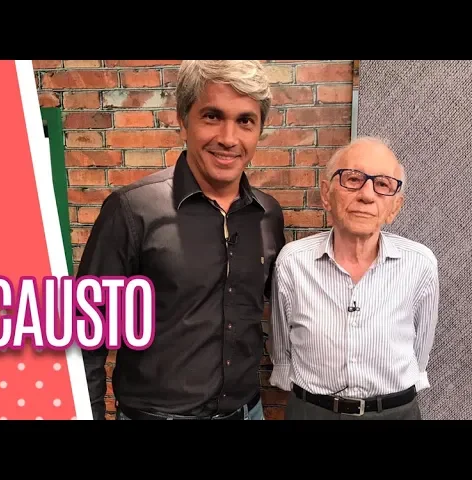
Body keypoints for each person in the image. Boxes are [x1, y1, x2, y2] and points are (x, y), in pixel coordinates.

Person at [77, 60, 286, 420]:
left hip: (247, 412)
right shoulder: (132, 210)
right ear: (182, 121)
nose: (229, 138)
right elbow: (86, 333)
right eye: (212, 116)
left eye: (245, 121)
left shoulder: (267, 214)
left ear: (259, 130)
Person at [268, 136, 439, 420]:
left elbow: (420, 352)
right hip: (312, 412)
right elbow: (281, 347)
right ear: (326, 194)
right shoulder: (292, 262)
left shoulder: (420, 264)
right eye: (353, 179)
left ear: (395, 207)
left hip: (395, 413)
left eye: (382, 184)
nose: (367, 195)